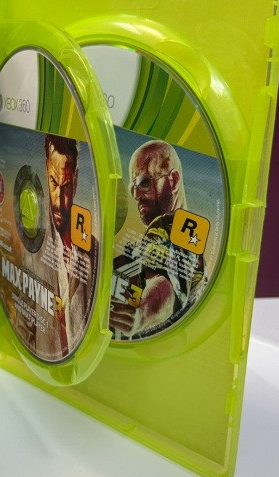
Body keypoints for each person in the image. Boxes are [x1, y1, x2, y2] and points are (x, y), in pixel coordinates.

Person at [110, 139, 205, 339]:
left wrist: (141, 316)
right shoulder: (188, 244)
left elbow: (163, 283)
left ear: (174, 180)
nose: (136, 196)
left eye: (144, 182)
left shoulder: (168, 226)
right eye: (132, 187)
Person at [26, 134, 96, 360]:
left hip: (84, 365)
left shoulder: (94, 251)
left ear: (75, 179)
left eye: (66, 186)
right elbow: (25, 327)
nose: (59, 199)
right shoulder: (33, 246)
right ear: (46, 168)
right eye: (53, 183)